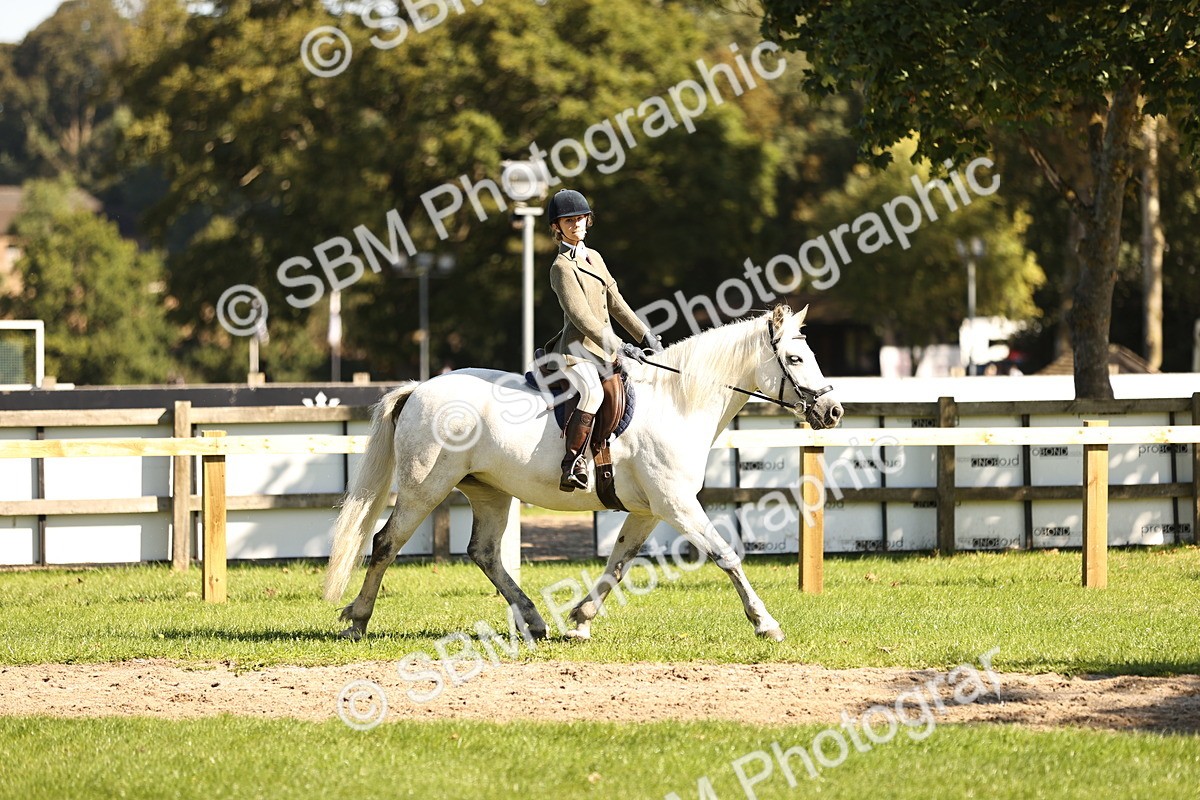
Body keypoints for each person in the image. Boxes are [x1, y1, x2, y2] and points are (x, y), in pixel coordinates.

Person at [544, 189, 663, 491]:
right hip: (577, 351)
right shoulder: (561, 268)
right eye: (568, 220)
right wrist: (620, 345)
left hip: (604, 351)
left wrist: (645, 335)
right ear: (557, 227)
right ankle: (571, 463)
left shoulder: (594, 257)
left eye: (581, 217)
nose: (577, 224)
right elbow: (581, 317)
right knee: (593, 394)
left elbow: (616, 302)